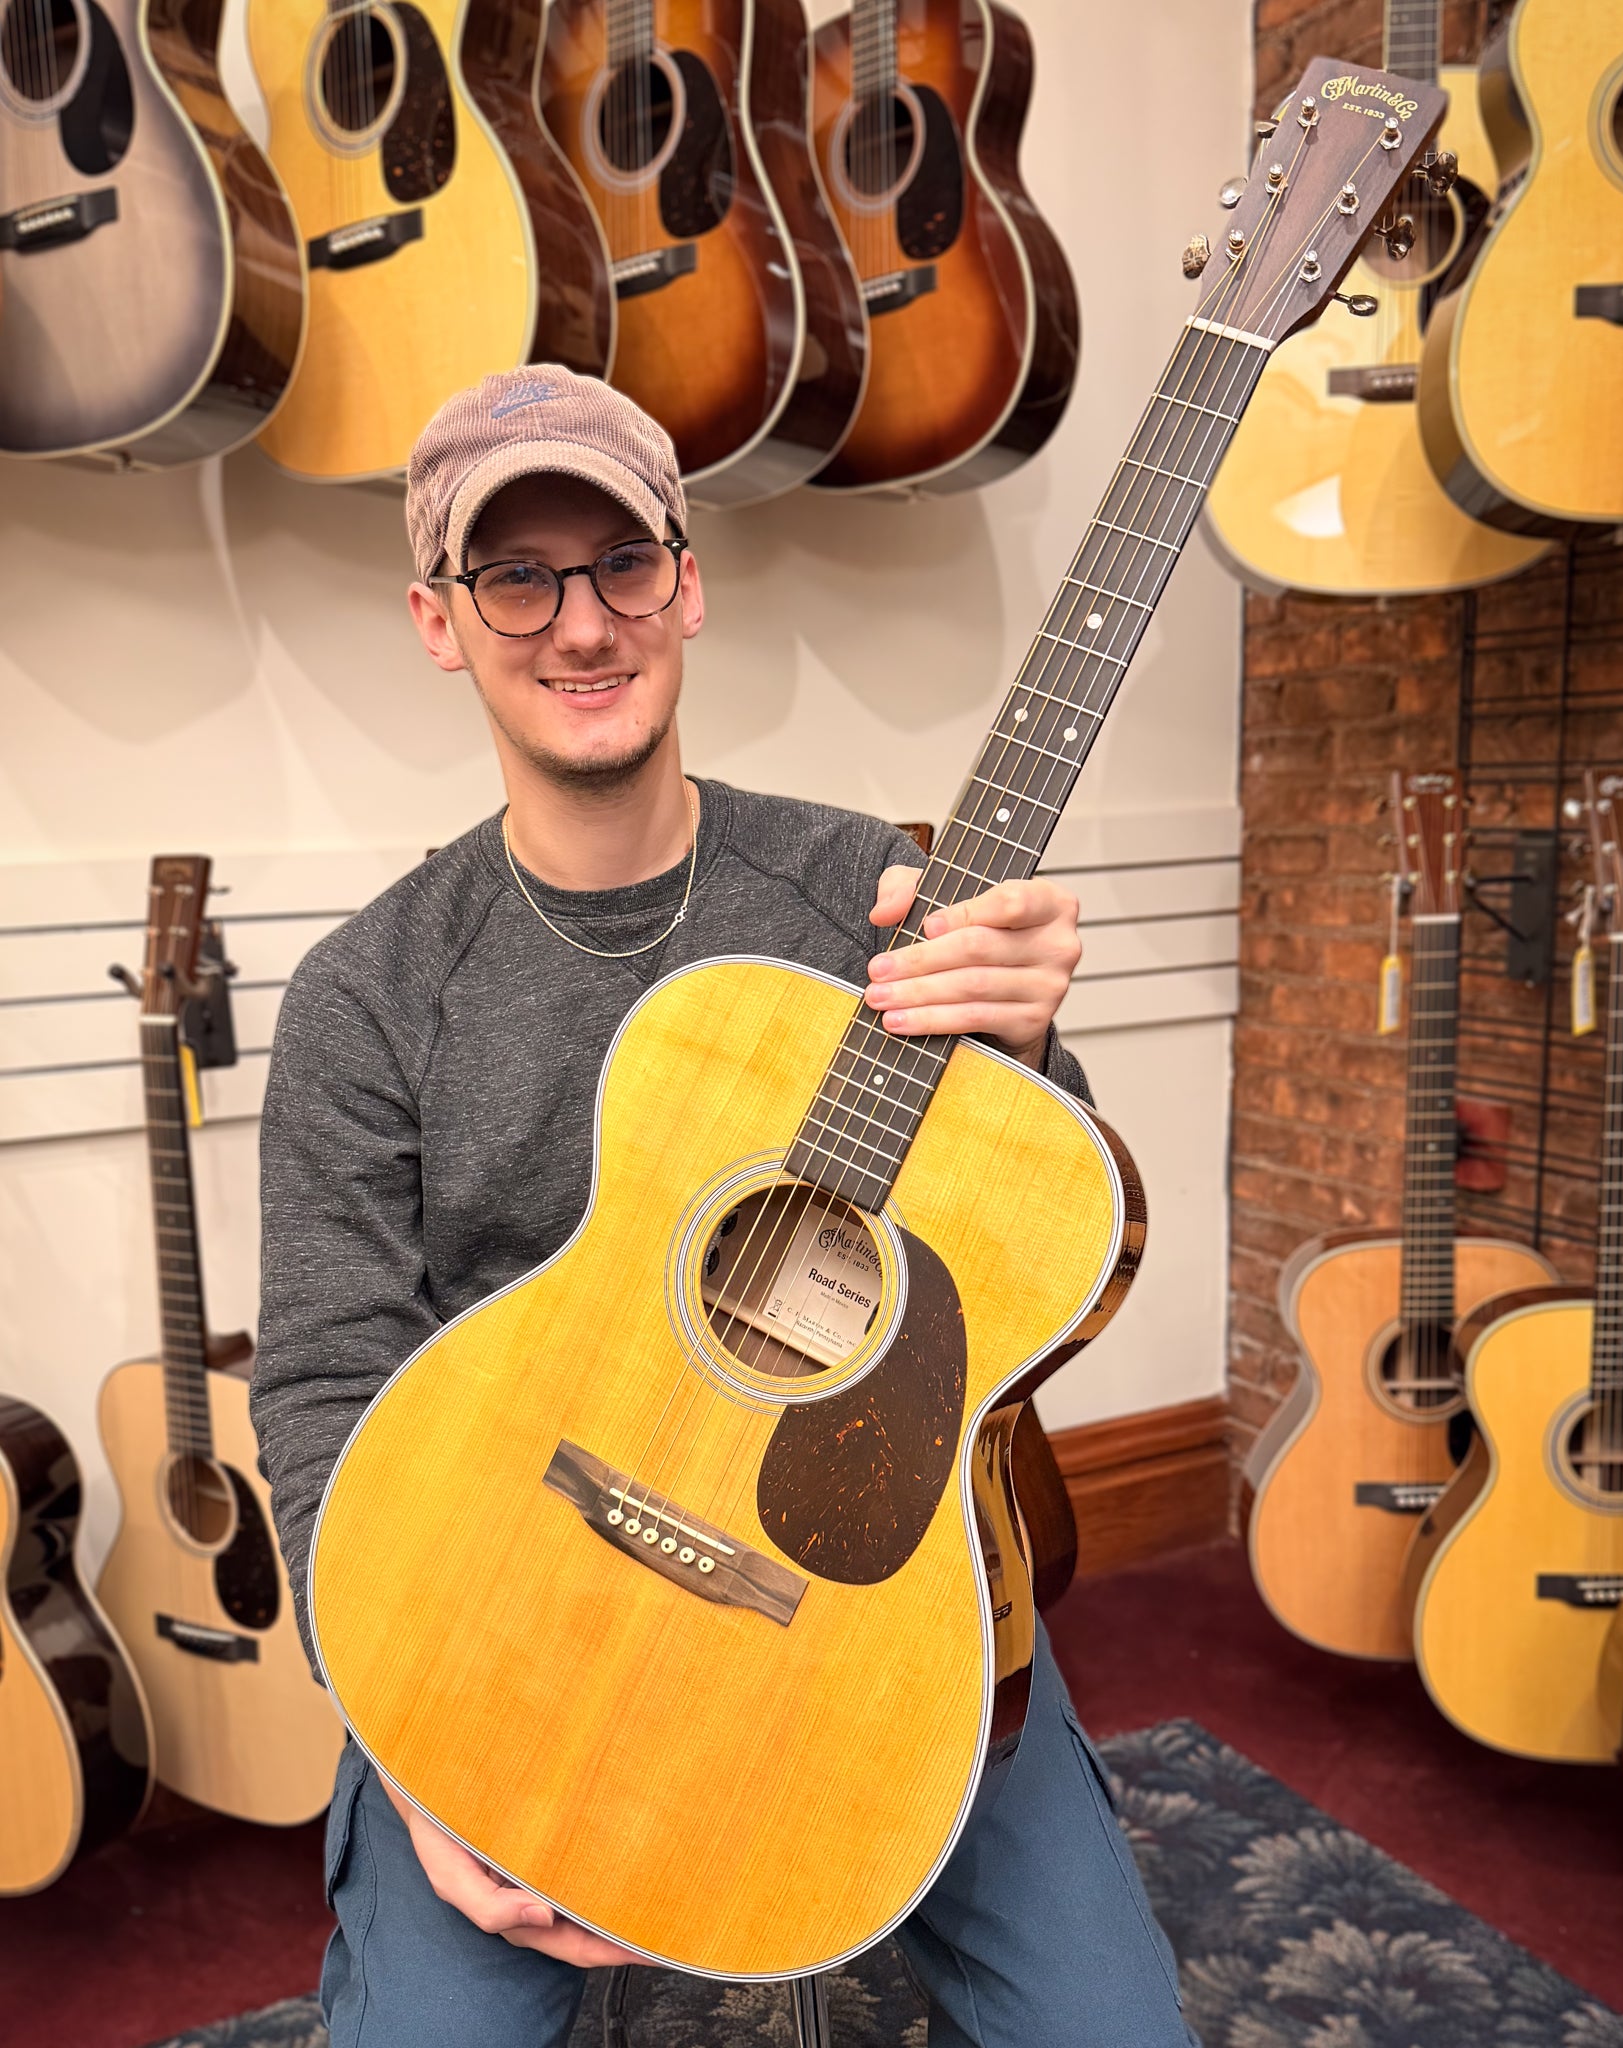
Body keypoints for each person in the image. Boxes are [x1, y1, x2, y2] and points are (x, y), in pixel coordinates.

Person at [251, 365, 1194, 2048]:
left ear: (687, 582)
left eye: (620, 564)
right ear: (437, 620)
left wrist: (1035, 1049)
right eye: (513, 577)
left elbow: (1033, 1240)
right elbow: (324, 1388)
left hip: (866, 1587)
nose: (580, 625)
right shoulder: (366, 996)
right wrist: (402, 1734)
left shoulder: (864, 888)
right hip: (506, 1595)